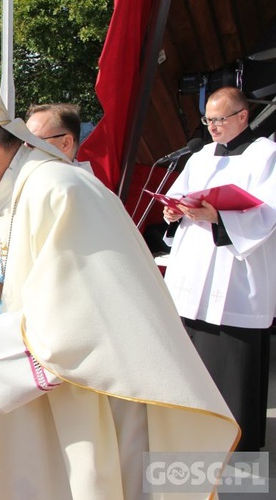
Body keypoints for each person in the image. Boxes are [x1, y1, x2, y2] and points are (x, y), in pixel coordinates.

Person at [0, 39, 238, 498]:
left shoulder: (59, 191)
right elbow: (6, 287)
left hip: (86, 406)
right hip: (44, 403)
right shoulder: (11, 193)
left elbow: (84, 320)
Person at [162, 86, 276, 452]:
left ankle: (237, 450)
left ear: (243, 116)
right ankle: (195, 440)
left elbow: (269, 213)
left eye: (219, 119)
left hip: (235, 274)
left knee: (233, 371)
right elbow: (181, 194)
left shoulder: (266, 154)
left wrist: (219, 217)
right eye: (207, 119)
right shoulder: (202, 155)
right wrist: (173, 211)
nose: (211, 127)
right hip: (195, 271)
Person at [25, 103, 93, 174]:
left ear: (65, 143)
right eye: (22, 140)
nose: (24, 147)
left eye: (32, 142)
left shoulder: (71, 183)